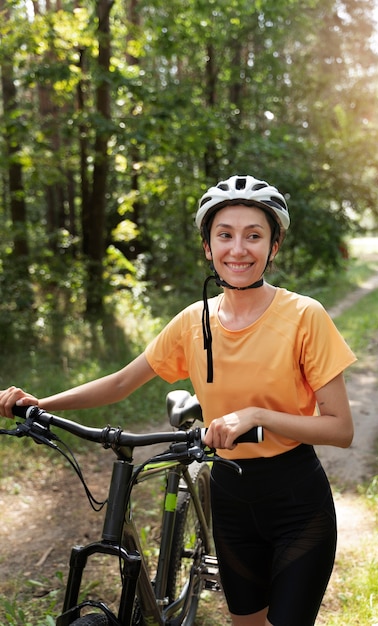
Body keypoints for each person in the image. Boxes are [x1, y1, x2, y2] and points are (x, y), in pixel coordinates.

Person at [0, 174, 356, 626]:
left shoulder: (306, 316)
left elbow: (340, 428)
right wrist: (42, 403)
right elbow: (119, 383)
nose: (238, 249)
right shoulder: (193, 322)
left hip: (296, 502)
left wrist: (257, 415)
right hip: (229, 500)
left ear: (274, 245)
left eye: (254, 235)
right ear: (208, 246)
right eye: (224, 235)